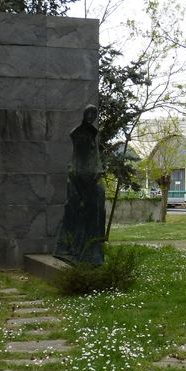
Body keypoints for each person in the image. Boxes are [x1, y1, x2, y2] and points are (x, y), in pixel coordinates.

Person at [54, 105, 106, 265]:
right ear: (84, 114)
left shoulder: (92, 133)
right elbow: (79, 158)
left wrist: (97, 172)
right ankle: (70, 249)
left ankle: (91, 252)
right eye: (88, 113)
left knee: (97, 212)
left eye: (94, 114)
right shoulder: (76, 133)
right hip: (79, 179)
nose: (91, 116)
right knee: (75, 212)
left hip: (90, 178)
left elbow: (93, 156)